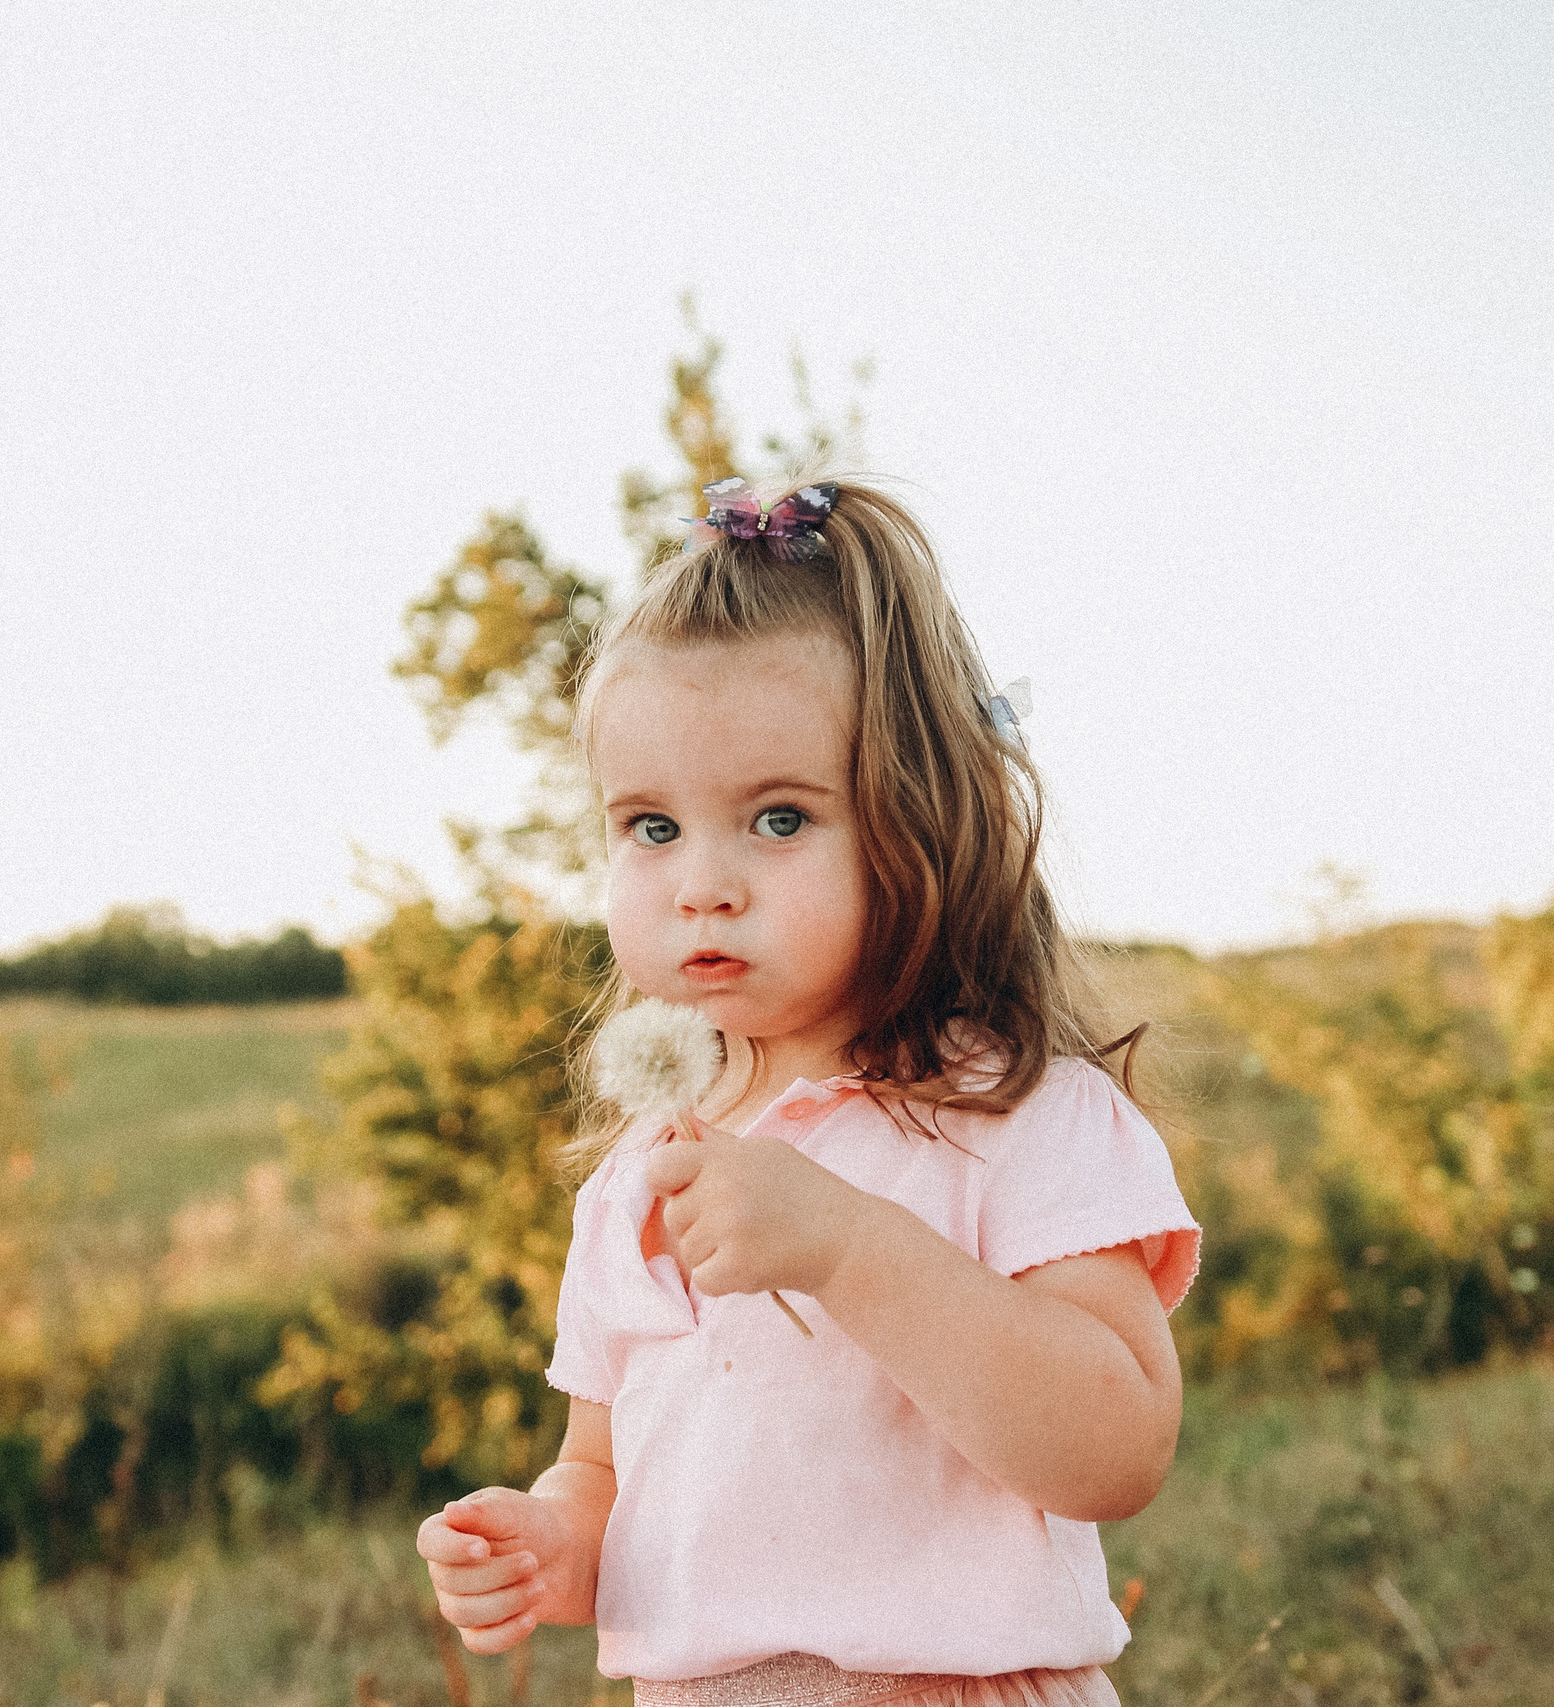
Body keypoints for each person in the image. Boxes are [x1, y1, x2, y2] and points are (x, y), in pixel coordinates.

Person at [415, 477, 1201, 1707]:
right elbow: (606, 1469)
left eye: (778, 819)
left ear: (919, 824)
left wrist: (846, 1248)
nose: (702, 883)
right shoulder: (641, 1173)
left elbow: (1117, 1448)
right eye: (651, 828)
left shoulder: (1016, 1116)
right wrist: (553, 1540)